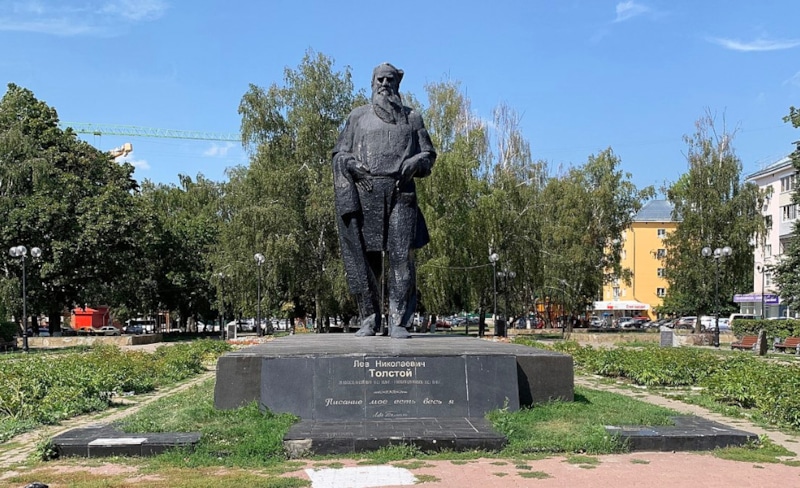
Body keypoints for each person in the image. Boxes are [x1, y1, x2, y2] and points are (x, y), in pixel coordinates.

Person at [332, 63, 436, 339]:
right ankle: (369, 318)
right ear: (372, 82)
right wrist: (351, 166)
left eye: (390, 79)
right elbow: (339, 154)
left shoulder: (412, 118)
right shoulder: (357, 117)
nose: (384, 83)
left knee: (401, 258)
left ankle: (399, 321)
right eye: (380, 79)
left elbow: (429, 155)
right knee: (366, 260)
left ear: (397, 84)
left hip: (402, 193)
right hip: (366, 191)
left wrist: (416, 161)